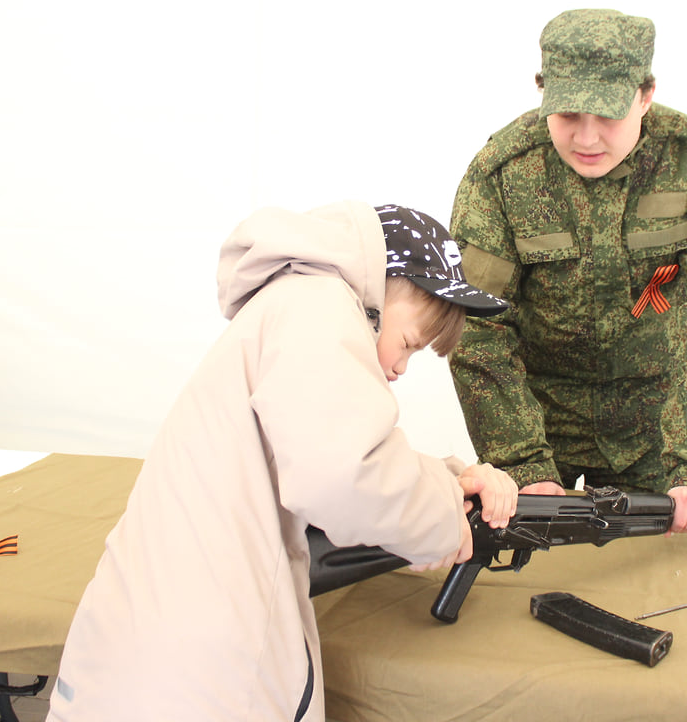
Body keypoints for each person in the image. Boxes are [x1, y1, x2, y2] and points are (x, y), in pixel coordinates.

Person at [46, 201, 517, 722]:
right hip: (199, 661)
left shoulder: (297, 302)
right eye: (407, 343)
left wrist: (450, 482)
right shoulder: (318, 307)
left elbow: (330, 448)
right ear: (384, 287)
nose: (401, 367)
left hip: (162, 642)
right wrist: (443, 518)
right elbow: (343, 476)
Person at [449, 8, 687, 533]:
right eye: (567, 115)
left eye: (608, 116)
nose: (587, 138)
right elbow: (476, 324)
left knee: (658, 583)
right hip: (537, 417)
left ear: (645, 95)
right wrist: (522, 463)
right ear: (542, 91)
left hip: (655, 424)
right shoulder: (501, 172)